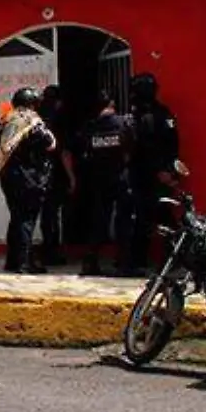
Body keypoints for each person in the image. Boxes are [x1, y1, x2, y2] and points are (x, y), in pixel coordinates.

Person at [0, 87, 56, 274]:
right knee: (26, 219)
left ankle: (12, 261)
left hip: (7, 173)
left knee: (16, 217)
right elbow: (50, 144)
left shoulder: (5, 120)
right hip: (27, 175)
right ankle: (24, 262)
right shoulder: (31, 121)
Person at [76, 90, 136, 276]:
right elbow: (131, 150)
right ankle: (124, 263)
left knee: (100, 219)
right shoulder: (124, 123)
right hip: (120, 176)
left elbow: (84, 152)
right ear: (112, 103)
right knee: (124, 219)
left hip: (99, 177)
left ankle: (90, 261)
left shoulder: (90, 127)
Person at [128, 72, 181, 272]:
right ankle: (140, 260)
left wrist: (165, 170)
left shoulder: (154, 115)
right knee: (147, 218)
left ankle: (169, 260)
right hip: (144, 174)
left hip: (153, 175)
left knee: (156, 217)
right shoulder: (138, 114)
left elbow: (168, 145)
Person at [36, 85, 75, 266]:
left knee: (45, 214)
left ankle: (45, 250)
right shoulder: (59, 121)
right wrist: (71, 176)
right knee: (52, 214)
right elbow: (64, 152)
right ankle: (51, 252)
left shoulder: (36, 120)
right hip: (54, 173)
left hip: (37, 173)